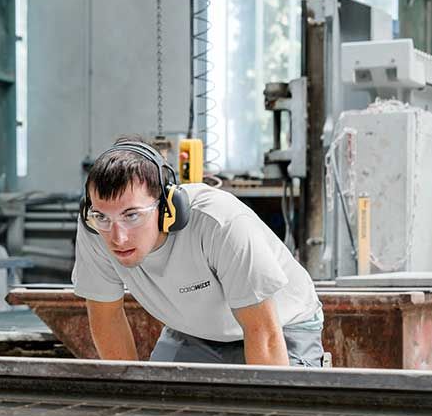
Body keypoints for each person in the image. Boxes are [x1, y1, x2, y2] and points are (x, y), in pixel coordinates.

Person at [72, 138, 324, 366]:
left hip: (282, 326)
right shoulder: (95, 227)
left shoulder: (219, 223)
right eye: (102, 217)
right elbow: (107, 318)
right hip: (193, 332)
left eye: (132, 216)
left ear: (167, 208)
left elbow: (265, 335)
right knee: (157, 406)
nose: (118, 237)